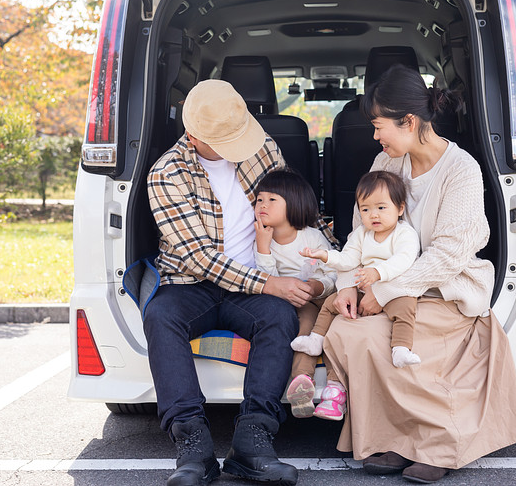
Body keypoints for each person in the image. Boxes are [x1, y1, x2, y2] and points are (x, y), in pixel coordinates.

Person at [321, 65, 516, 484]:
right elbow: (361, 235)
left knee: (367, 335)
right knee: (344, 329)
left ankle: (439, 442)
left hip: (445, 291)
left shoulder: (461, 169)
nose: (375, 137)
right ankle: (397, 439)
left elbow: (448, 254)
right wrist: (347, 286)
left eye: (379, 127)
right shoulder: (387, 161)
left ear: (409, 121)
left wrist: (387, 292)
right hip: (391, 290)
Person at [144, 79, 336, 486]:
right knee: (160, 315)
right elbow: (199, 258)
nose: (238, 146)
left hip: (254, 281)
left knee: (280, 317)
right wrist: (269, 284)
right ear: (193, 135)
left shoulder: (260, 145)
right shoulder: (166, 173)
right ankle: (192, 448)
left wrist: (336, 256)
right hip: (191, 282)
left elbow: (293, 206)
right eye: (225, 140)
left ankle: (253, 442)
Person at [293, 170, 421, 421]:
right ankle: (316, 339)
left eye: (381, 207)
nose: (373, 215)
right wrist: (326, 256)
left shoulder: (404, 233)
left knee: (407, 306)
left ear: (400, 208)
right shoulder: (361, 234)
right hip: (364, 287)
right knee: (330, 304)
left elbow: (404, 260)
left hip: (393, 287)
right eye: (365, 209)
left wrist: (378, 272)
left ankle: (401, 348)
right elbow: (348, 259)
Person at [251, 169, 338, 418]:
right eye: (259, 199)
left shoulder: (312, 236)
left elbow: (334, 272)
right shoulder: (260, 240)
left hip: (323, 293)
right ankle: (302, 381)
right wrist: (263, 247)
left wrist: (317, 287)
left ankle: (336, 385)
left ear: (294, 204)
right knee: (306, 324)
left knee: (336, 324)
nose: (263, 205)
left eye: (272, 199)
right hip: (294, 301)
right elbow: (266, 280)